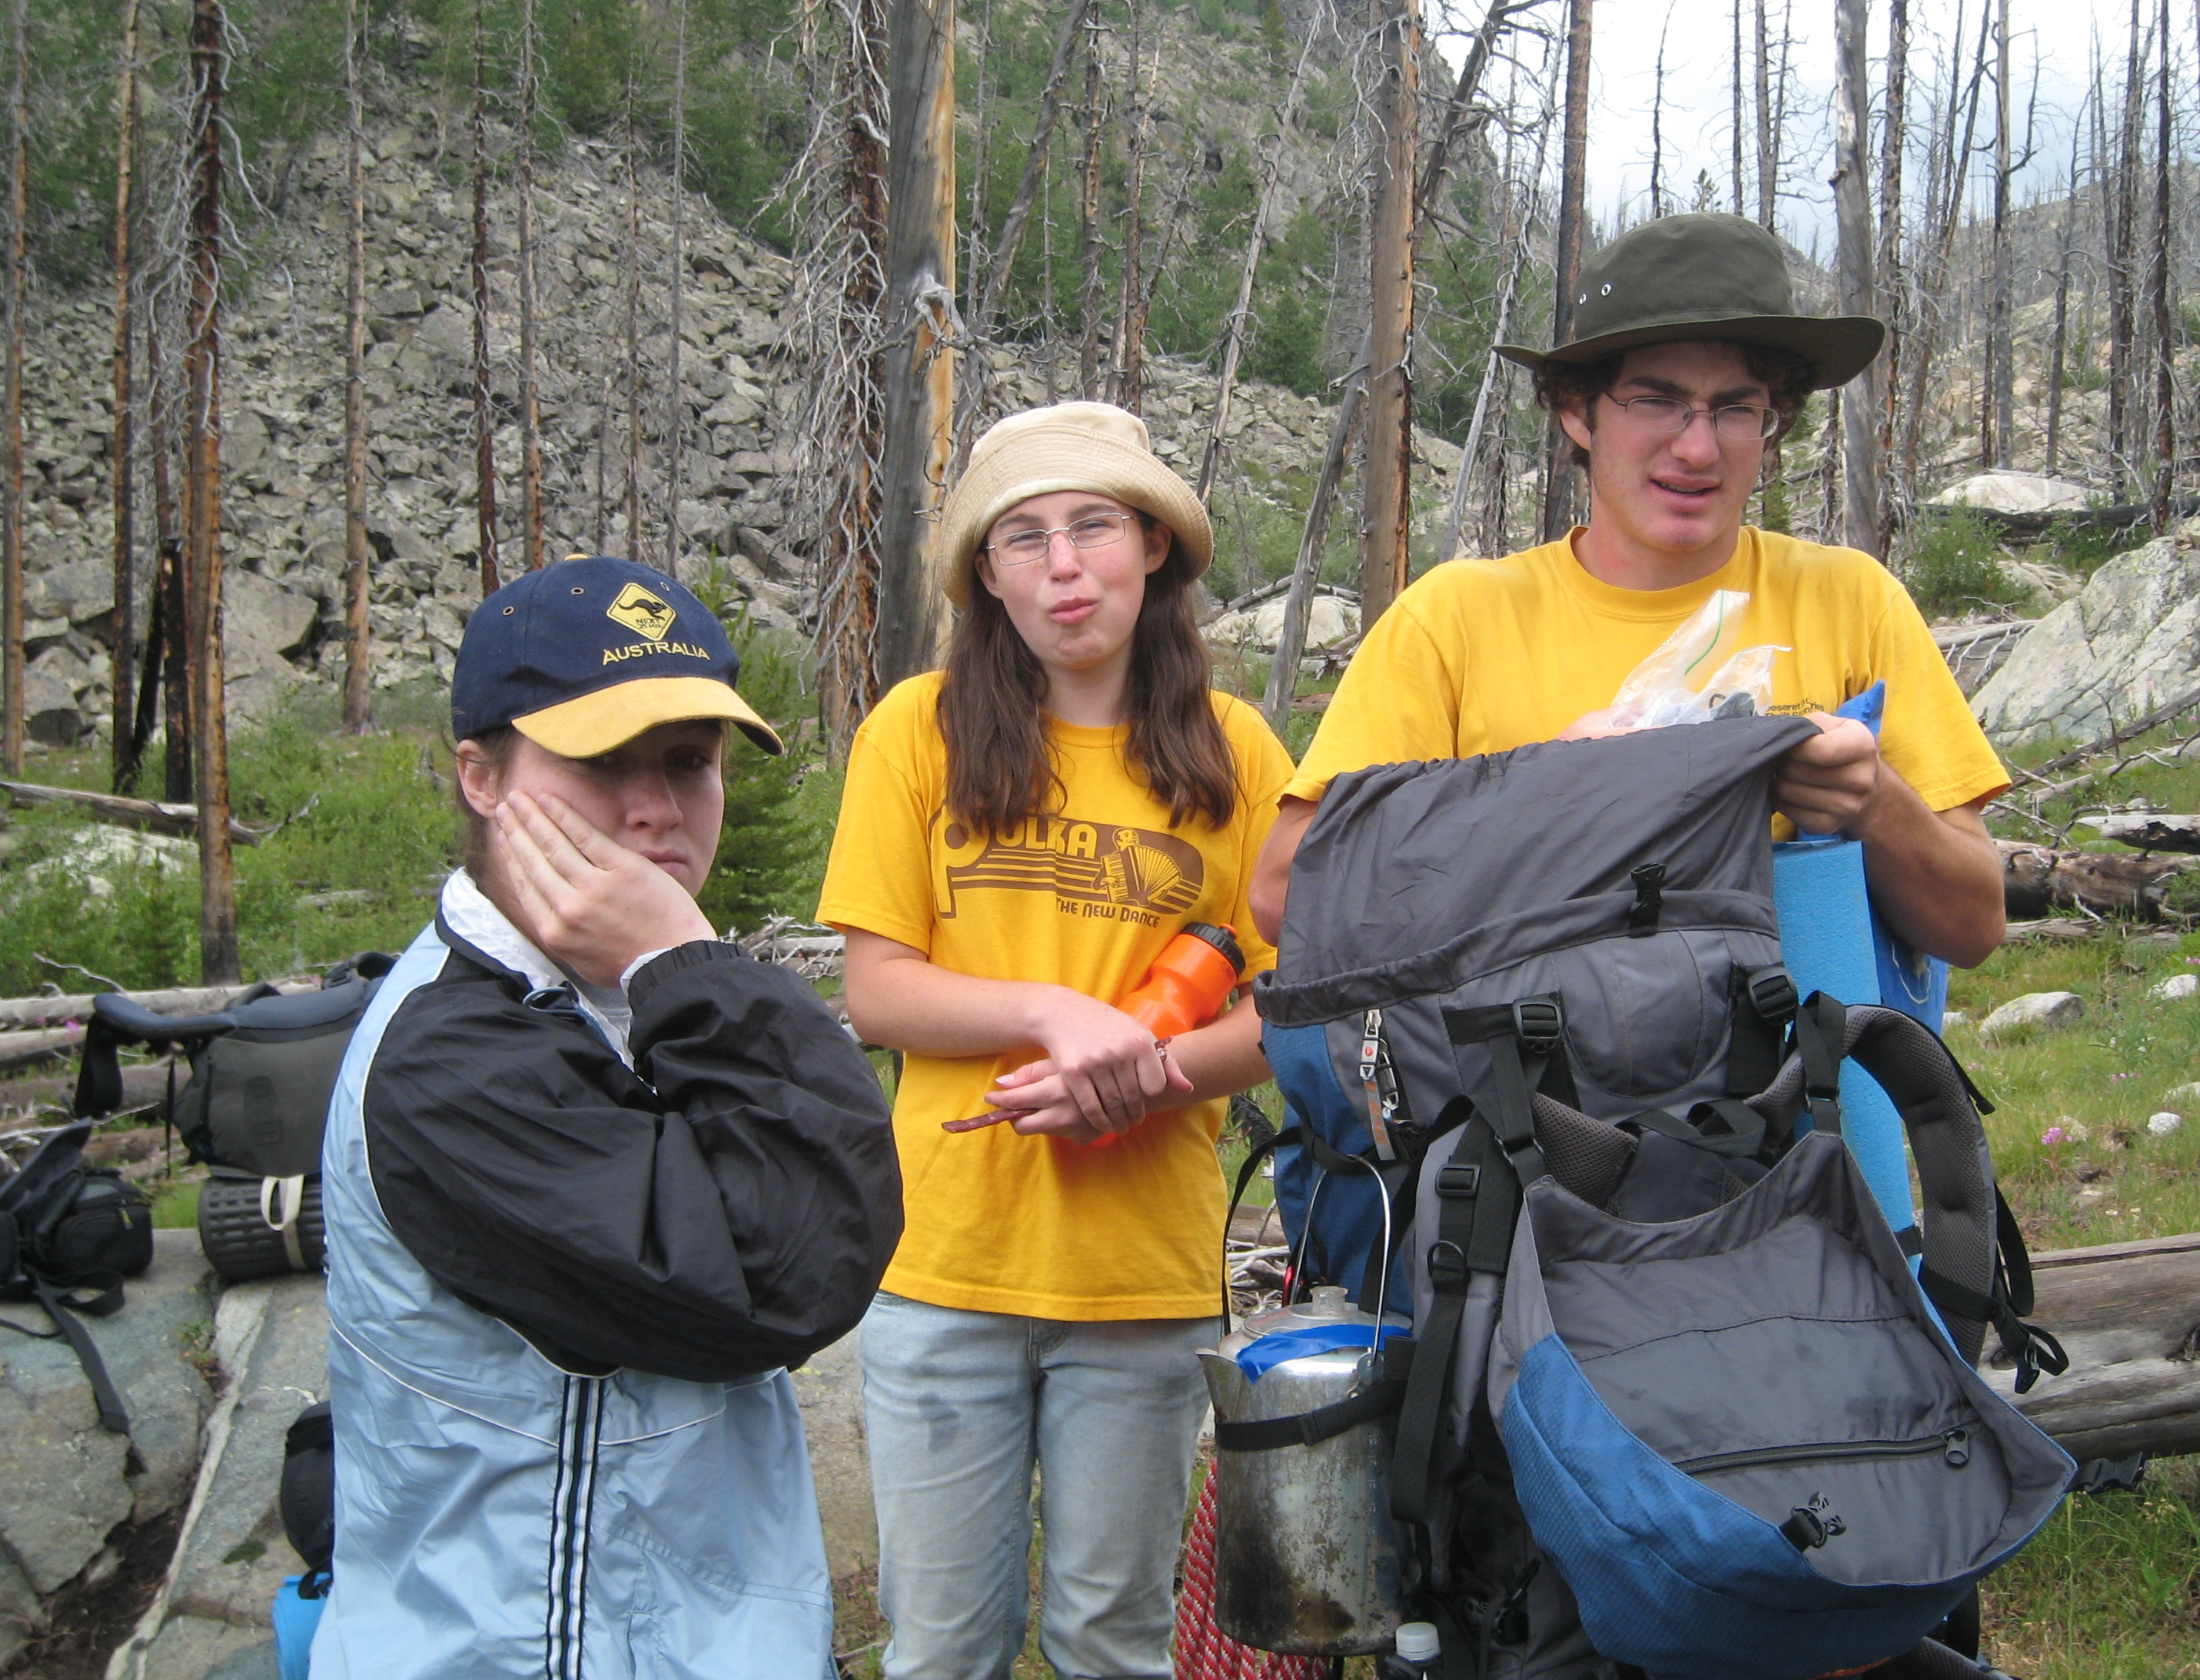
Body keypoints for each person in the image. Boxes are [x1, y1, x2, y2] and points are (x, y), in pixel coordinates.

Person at [311, 557, 902, 1680]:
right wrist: (684, 956)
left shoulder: (617, 993)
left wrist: (673, 971)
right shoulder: (456, 1059)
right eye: (600, 760)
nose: (656, 809)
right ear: (480, 777)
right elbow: (793, 1263)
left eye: (689, 762)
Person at [819, 402, 1294, 1680]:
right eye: (1022, 537)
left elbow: (1293, 1003)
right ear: (986, 569)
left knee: (1113, 1640)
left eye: (1092, 526)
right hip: (942, 1266)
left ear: (1152, 546)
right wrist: (1054, 1013)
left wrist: (1152, 1073)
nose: (1062, 564)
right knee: (942, 1648)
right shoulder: (913, 731)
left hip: (1137, 1279)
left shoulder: (1237, 751)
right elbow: (877, 991)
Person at [1250, 211, 2009, 965]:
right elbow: (1286, 894)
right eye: (1656, 400)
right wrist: (1537, 795)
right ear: (1578, 411)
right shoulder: (1456, 619)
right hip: (1526, 1083)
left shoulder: (1850, 600)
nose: (1698, 446)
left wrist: (1875, 802)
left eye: (1737, 408)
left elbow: (1974, 928)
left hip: (1798, 1082)